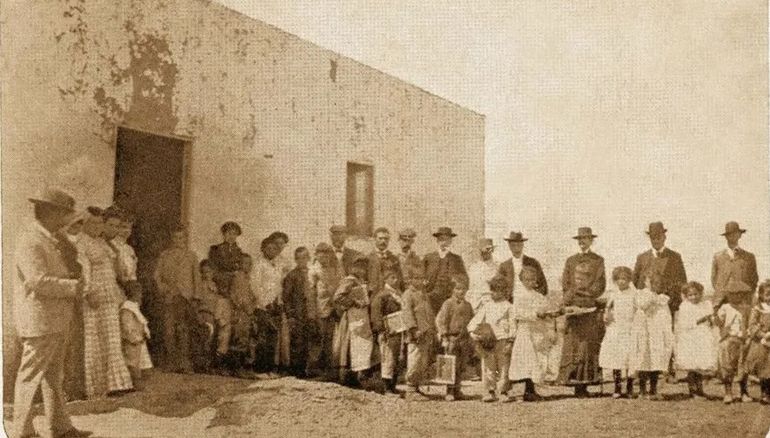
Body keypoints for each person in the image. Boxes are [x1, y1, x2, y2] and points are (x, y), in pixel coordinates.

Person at [12, 188, 93, 438]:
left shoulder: (51, 238)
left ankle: (60, 428)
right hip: (40, 321)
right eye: (65, 213)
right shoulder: (31, 240)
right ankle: (21, 432)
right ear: (51, 213)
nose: (68, 219)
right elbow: (37, 281)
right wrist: (73, 287)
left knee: (54, 378)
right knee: (30, 377)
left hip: (55, 320)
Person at [77, 207, 134, 398]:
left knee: (111, 339)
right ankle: (96, 387)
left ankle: (115, 384)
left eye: (99, 222)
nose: (97, 226)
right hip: (94, 296)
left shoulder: (102, 243)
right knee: (94, 340)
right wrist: (88, 292)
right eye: (93, 222)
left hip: (109, 295)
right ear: (85, 223)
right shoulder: (81, 243)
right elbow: (83, 271)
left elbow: (116, 270)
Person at [509, 266, 561, 402]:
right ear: (522, 280)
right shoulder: (519, 295)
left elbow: (546, 310)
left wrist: (549, 314)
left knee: (536, 361)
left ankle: (531, 391)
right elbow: (517, 314)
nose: (530, 282)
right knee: (524, 360)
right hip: (525, 331)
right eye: (527, 280)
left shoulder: (539, 296)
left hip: (538, 331)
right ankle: (519, 392)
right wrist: (535, 314)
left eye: (532, 280)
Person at [153, 227, 199, 373]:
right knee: (169, 330)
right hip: (170, 297)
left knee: (183, 329)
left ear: (185, 239)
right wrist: (164, 288)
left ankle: (184, 362)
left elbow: (196, 277)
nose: (178, 241)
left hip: (185, 297)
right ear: (171, 239)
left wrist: (196, 297)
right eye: (175, 238)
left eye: (181, 238)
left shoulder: (191, 256)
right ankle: (171, 362)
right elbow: (157, 276)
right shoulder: (165, 255)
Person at [557, 262, 604, 397]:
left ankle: (584, 386)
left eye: (582, 279)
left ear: (589, 280)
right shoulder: (571, 293)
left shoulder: (591, 293)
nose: (579, 282)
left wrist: (597, 308)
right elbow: (562, 307)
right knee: (575, 354)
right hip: (574, 330)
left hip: (588, 329)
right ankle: (576, 386)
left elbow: (596, 305)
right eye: (577, 279)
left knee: (586, 354)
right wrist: (570, 309)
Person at [467, 275, 516, 402]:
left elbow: (513, 325)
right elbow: (475, 321)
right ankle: (490, 391)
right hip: (488, 341)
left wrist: (510, 341)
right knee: (489, 367)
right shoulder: (487, 306)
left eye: (497, 290)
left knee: (504, 367)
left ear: (504, 291)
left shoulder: (509, 307)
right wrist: (473, 333)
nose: (493, 293)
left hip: (503, 339)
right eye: (492, 290)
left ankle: (503, 391)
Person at [332, 255, 374, 386]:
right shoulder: (349, 281)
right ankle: (345, 378)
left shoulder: (361, 281)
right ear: (351, 268)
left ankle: (357, 376)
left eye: (363, 268)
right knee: (348, 346)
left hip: (362, 317)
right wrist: (353, 302)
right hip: (351, 318)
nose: (361, 270)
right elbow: (338, 297)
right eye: (358, 267)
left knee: (361, 345)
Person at [599, 267, 639, 399]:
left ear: (629, 280)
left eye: (625, 279)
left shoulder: (634, 294)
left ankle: (629, 387)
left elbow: (638, 310)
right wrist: (607, 315)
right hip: (616, 328)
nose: (622, 281)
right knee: (616, 358)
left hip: (629, 328)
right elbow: (608, 307)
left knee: (629, 358)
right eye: (619, 279)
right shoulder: (614, 293)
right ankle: (617, 387)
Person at [632, 273, 674, 400]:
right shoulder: (641, 294)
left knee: (656, 360)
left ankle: (653, 390)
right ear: (646, 282)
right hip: (644, 331)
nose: (656, 286)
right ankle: (642, 390)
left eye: (658, 284)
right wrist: (652, 298)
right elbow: (642, 306)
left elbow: (666, 316)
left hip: (656, 332)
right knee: (644, 359)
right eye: (653, 283)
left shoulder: (662, 298)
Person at [633, 222, 687, 316]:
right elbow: (635, 281)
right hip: (646, 308)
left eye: (658, 237)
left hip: (667, 306)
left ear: (664, 237)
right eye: (653, 238)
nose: (656, 240)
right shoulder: (642, 258)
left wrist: (672, 301)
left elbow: (682, 281)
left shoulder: (675, 257)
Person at [252, 236, 289, 372]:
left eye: (274, 248)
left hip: (275, 305)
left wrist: (279, 301)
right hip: (263, 306)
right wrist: (265, 303)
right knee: (263, 335)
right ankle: (260, 368)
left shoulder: (278, 265)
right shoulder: (258, 264)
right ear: (263, 249)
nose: (272, 251)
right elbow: (255, 286)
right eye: (269, 248)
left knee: (273, 335)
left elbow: (279, 285)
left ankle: (269, 367)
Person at [674, 281, 717, 398]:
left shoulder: (705, 304)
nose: (693, 297)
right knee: (692, 366)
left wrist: (711, 320)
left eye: (696, 294)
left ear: (701, 293)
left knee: (700, 366)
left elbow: (711, 320)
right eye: (690, 295)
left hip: (703, 337)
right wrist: (701, 319)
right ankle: (692, 391)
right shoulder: (685, 307)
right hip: (691, 338)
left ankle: (700, 389)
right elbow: (685, 324)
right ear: (686, 296)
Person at [306, 243, 343, 379]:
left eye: (326, 254)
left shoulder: (335, 269)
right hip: (319, 309)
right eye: (320, 255)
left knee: (330, 339)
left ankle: (328, 370)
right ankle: (312, 369)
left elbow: (339, 285)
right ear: (316, 255)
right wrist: (312, 313)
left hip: (333, 308)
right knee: (317, 338)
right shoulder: (313, 271)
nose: (324, 258)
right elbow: (310, 293)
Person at [435, 276, 474, 401]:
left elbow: (472, 321)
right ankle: (449, 390)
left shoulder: (468, 305)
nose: (461, 291)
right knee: (451, 364)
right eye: (458, 288)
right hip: (452, 338)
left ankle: (457, 389)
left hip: (464, 338)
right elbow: (441, 321)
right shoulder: (448, 304)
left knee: (461, 364)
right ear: (453, 289)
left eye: (463, 289)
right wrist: (444, 337)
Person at [711, 222, 758, 322]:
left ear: (740, 235)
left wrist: (746, 294)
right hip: (721, 300)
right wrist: (722, 292)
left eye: (735, 233)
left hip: (743, 300)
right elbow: (714, 278)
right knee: (721, 326)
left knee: (742, 326)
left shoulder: (749, 257)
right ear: (726, 237)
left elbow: (754, 279)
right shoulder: (718, 257)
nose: (732, 236)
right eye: (729, 234)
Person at [401, 265, 436, 399]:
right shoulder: (408, 294)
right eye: (416, 278)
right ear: (410, 280)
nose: (420, 281)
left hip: (426, 331)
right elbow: (407, 313)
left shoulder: (423, 294)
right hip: (416, 333)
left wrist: (432, 327)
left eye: (421, 278)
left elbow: (429, 312)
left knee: (422, 360)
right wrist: (413, 329)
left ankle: (416, 386)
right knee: (415, 359)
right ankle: (410, 388)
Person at [370, 270, 405, 395]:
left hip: (399, 330)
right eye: (392, 277)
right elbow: (376, 314)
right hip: (387, 331)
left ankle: (393, 385)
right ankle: (387, 388)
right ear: (386, 280)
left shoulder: (399, 294)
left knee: (396, 358)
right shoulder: (382, 296)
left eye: (397, 277)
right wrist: (382, 330)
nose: (396, 280)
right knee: (387, 358)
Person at [714, 289, 752, 404]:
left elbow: (750, 323)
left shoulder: (746, 308)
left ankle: (744, 392)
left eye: (738, 294)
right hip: (729, 339)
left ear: (742, 295)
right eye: (731, 294)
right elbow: (719, 323)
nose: (735, 297)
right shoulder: (725, 307)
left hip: (742, 339)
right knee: (727, 366)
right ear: (727, 295)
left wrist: (747, 335)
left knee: (743, 366)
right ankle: (728, 392)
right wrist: (715, 316)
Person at [195, 259, 232, 373]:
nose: (206, 274)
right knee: (208, 334)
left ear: (213, 272)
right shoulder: (200, 285)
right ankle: (205, 364)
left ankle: (217, 362)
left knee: (223, 332)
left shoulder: (216, 285)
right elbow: (199, 302)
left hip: (215, 313)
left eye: (209, 272)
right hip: (206, 313)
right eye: (203, 272)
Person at [282, 247, 312, 377]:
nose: (302, 260)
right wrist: (290, 315)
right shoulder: (292, 275)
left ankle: (306, 369)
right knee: (297, 341)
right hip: (297, 313)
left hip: (309, 312)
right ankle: (296, 370)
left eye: (304, 257)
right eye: (299, 258)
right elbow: (286, 297)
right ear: (295, 260)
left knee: (308, 340)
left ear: (308, 258)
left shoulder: (312, 273)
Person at [423, 226, 468, 314]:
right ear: (437, 241)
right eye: (441, 239)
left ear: (450, 241)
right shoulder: (429, 258)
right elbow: (420, 275)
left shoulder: (456, 259)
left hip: (449, 297)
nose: (444, 243)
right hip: (431, 296)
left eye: (446, 240)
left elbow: (464, 279)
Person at [229, 253, 259, 376]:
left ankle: (245, 367)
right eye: (246, 263)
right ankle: (237, 368)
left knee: (248, 339)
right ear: (240, 264)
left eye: (250, 264)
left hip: (247, 312)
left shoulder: (247, 278)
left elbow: (251, 296)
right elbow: (240, 298)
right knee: (240, 338)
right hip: (241, 312)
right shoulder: (239, 278)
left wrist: (254, 302)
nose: (249, 266)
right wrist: (249, 310)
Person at [119, 283, 153, 391]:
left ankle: (139, 382)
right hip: (132, 339)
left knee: (141, 362)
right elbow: (126, 325)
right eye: (139, 293)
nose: (141, 296)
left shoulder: (134, 306)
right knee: (133, 362)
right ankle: (135, 383)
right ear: (134, 294)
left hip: (139, 338)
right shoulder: (127, 308)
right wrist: (132, 337)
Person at [741, 280, 770, 404]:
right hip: (761, 344)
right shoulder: (758, 309)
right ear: (762, 295)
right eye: (768, 294)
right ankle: (765, 394)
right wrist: (763, 335)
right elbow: (752, 326)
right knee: (764, 368)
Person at [497, 231, 547, 299]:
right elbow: (499, 287)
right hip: (511, 301)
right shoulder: (504, 266)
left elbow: (543, 286)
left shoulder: (533, 263)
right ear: (509, 246)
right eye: (513, 245)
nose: (516, 247)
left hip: (530, 300)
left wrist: (534, 297)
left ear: (522, 245)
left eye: (518, 244)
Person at [562, 227, 606, 304]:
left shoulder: (598, 260)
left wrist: (589, 294)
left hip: (589, 300)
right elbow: (565, 281)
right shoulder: (570, 260)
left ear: (591, 241)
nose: (581, 241)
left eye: (585, 238)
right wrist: (569, 294)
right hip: (572, 300)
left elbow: (600, 282)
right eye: (579, 239)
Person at [208, 221, 245, 294]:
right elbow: (212, 268)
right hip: (220, 281)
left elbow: (241, 267)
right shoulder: (215, 249)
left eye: (234, 234)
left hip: (235, 282)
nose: (231, 236)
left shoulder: (238, 251)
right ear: (224, 234)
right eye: (229, 233)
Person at [366, 227, 403, 296]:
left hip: (390, 296)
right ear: (374, 239)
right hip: (373, 296)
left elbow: (400, 280)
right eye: (380, 238)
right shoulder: (367, 258)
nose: (383, 241)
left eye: (386, 239)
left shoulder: (394, 259)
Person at [466, 238, 498, 312]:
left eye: (488, 251)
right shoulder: (473, 267)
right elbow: (470, 288)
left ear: (492, 251)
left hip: (491, 304)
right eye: (482, 251)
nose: (485, 253)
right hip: (475, 304)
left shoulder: (497, 267)